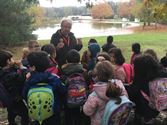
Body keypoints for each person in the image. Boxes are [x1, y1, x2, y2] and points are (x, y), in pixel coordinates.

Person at [22, 51, 66, 125]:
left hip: (37, 113)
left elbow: (24, 95)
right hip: (53, 112)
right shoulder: (54, 78)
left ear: (32, 67)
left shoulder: (29, 80)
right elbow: (63, 91)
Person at [125, 55, 167, 125]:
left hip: (145, 115)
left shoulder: (140, 82)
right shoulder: (163, 74)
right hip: (162, 111)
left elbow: (132, 96)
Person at [83, 61, 128, 125]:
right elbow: (126, 98)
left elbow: (87, 111)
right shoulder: (120, 86)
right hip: (116, 121)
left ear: (97, 76)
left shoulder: (94, 95)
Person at [0, 50, 29, 125]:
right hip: (16, 99)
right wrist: (21, 67)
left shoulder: (3, 72)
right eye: (11, 59)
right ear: (8, 61)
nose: (13, 60)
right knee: (25, 113)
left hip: (9, 98)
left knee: (11, 112)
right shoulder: (10, 75)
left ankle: (11, 122)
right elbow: (23, 78)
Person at [61, 49, 89, 125]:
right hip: (82, 101)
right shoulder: (85, 72)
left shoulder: (63, 72)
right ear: (79, 60)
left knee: (69, 118)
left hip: (68, 103)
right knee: (79, 118)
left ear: (66, 61)